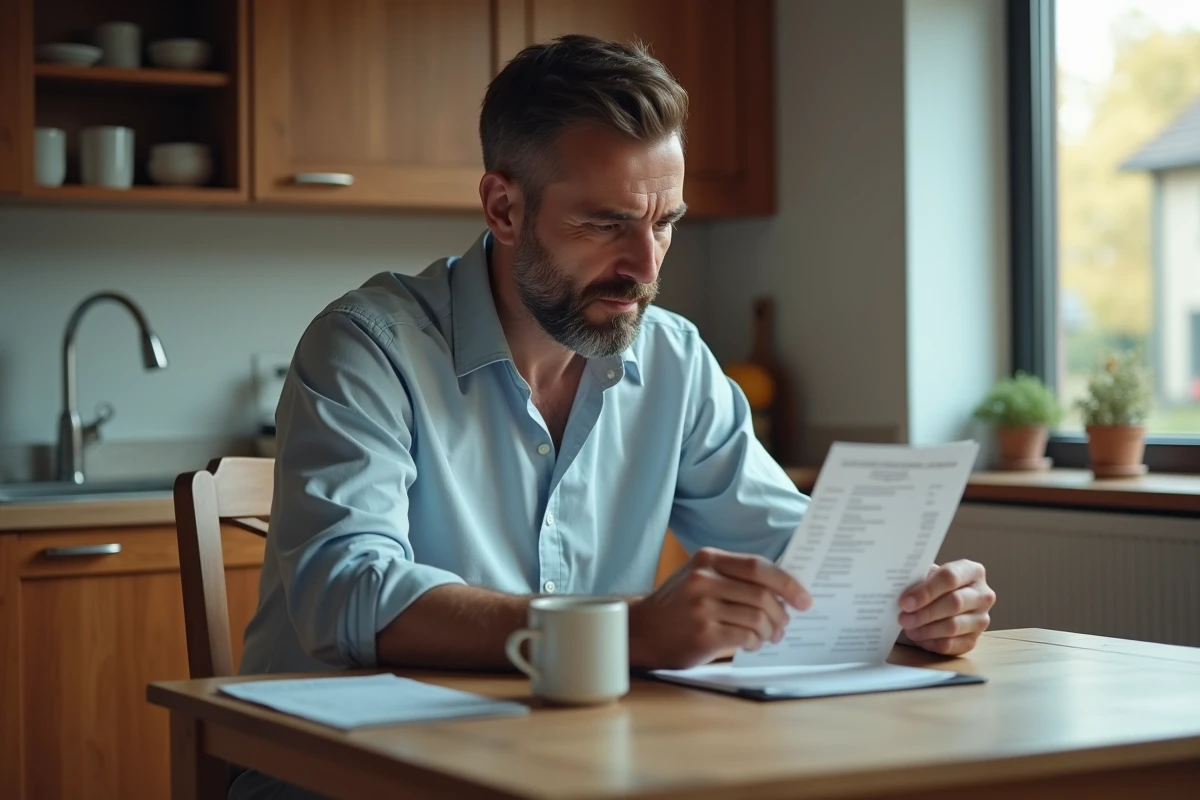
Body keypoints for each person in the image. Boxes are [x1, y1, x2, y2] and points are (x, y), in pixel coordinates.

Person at [231, 34, 995, 799]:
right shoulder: (366, 346)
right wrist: (628, 630)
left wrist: (907, 600)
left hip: (572, 766)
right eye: (605, 224)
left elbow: (797, 558)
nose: (647, 266)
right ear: (503, 206)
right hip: (342, 774)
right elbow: (348, 593)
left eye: (664, 223)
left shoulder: (674, 360)